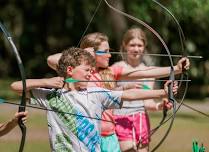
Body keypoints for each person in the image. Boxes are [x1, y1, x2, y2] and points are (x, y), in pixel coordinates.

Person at [11, 47, 178, 151]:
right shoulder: (51, 96)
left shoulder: (95, 93)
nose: (91, 73)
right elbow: (16, 87)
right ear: (70, 70)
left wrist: (162, 93)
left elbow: (129, 95)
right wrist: (46, 82)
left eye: (92, 69)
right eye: (86, 69)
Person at [47, 32, 190, 152]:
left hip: (109, 136)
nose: (110, 55)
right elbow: (51, 60)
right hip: (86, 136)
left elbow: (144, 72)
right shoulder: (80, 75)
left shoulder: (111, 72)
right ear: (92, 52)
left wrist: (176, 69)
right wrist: (83, 54)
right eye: (106, 51)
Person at [112, 27, 170, 151]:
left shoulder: (149, 72)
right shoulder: (116, 68)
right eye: (132, 45)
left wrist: (158, 106)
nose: (136, 49)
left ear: (144, 47)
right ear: (125, 45)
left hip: (141, 121)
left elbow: (147, 102)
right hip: (121, 119)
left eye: (140, 45)